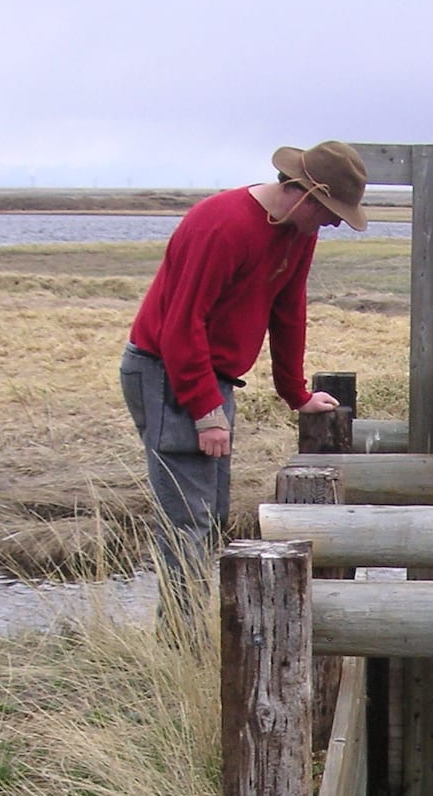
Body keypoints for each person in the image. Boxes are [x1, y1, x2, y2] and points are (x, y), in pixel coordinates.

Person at [120, 139, 368, 627]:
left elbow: (288, 308)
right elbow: (181, 325)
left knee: (209, 515)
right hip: (168, 374)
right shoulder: (222, 225)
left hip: (210, 380)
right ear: (304, 194)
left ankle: (193, 629)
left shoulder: (299, 232)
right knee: (187, 520)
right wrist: (206, 411)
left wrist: (295, 392)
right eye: (331, 212)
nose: (334, 223)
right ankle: (182, 640)